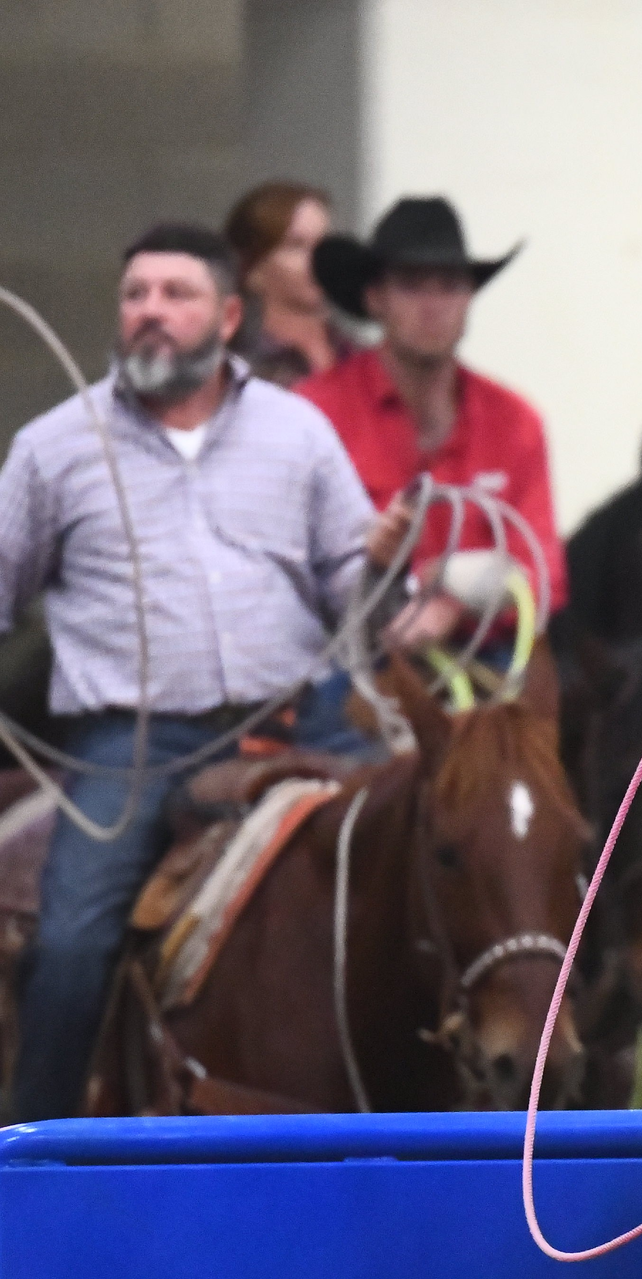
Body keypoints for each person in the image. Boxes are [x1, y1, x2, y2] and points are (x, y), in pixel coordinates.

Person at [0, 224, 377, 1120]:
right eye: (137, 295)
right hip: (131, 744)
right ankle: (34, 1158)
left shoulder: (299, 431)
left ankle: (478, 1110)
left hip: (299, 715)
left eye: (176, 295)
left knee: (430, 857)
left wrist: (389, 564)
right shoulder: (55, 448)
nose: (151, 314)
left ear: (229, 315)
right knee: (72, 943)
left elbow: (354, 589)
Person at [298, 197, 566, 656]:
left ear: (469, 299)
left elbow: (544, 577)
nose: (433, 305)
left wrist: (454, 603)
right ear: (374, 298)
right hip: (351, 658)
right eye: (411, 286)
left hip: (486, 659)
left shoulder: (515, 421)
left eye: (449, 286)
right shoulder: (312, 414)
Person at [223, 181, 357, 387]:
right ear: (253, 268)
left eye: (325, 244)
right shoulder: (234, 365)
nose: (319, 258)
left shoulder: (355, 353)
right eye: (296, 246)